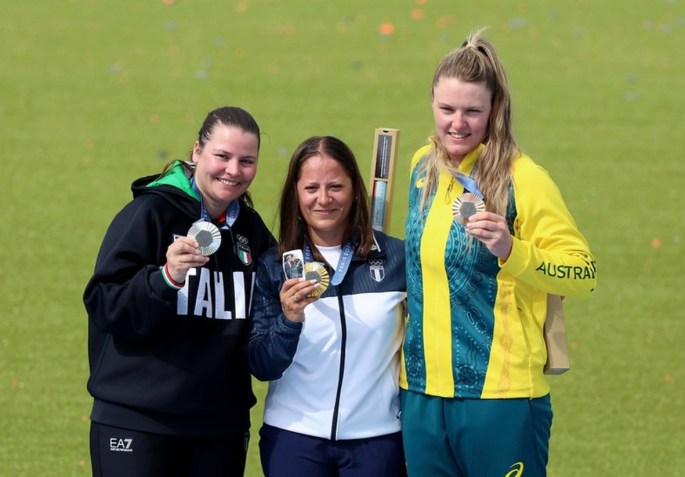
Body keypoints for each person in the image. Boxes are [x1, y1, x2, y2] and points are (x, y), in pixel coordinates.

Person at [400, 29, 597, 476]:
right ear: (431, 102)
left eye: (473, 111)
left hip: (501, 399)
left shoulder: (524, 179)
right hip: (421, 394)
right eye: (447, 109)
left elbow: (583, 273)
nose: (458, 123)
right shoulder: (421, 169)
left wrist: (512, 249)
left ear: (495, 110)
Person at [84, 106, 276, 477]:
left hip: (220, 427)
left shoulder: (250, 231)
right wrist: (165, 278)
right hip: (138, 420)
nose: (233, 171)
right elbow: (104, 304)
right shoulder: (150, 214)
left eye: (246, 161)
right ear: (197, 152)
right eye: (222, 156)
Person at [247, 136, 408, 477]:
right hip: (294, 440)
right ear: (295, 193)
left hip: (377, 442)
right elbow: (262, 364)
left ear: (355, 189)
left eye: (336, 186)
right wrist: (290, 320)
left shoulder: (397, 259)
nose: (324, 199)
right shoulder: (275, 266)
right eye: (311, 188)